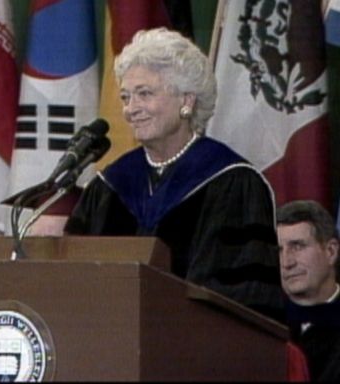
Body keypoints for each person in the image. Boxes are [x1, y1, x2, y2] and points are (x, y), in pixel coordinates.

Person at [64, 27, 283, 320]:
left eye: (144, 94)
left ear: (187, 101)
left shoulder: (232, 182)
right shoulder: (107, 187)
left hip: (194, 356)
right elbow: (75, 285)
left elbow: (240, 302)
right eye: (127, 97)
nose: (131, 109)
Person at [277, 200, 340, 382]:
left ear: (330, 252)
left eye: (297, 246)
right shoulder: (261, 324)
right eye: (279, 250)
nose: (287, 262)